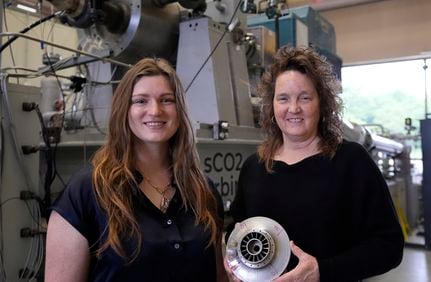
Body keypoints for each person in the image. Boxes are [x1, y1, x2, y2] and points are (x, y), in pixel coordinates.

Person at [227, 46, 404, 282]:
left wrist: (323, 270)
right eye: (283, 98)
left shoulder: (351, 161)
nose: (293, 108)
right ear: (272, 106)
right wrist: (235, 265)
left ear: (322, 104)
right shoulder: (254, 167)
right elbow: (236, 232)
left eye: (305, 97)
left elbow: (389, 246)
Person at [45, 58, 224, 282]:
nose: (155, 110)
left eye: (167, 100)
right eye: (140, 101)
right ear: (124, 110)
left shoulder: (203, 190)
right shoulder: (87, 191)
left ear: (179, 110)